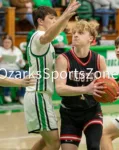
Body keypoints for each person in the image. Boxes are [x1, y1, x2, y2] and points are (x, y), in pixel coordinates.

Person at [24, 1, 80, 150]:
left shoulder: (45, 40)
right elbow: (49, 35)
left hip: (42, 96)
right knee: (54, 143)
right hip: (38, 94)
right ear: (40, 21)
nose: (54, 21)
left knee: (46, 140)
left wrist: (66, 16)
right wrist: (65, 15)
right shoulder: (38, 36)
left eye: (55, 19)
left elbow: (56, 30)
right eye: (51, 18)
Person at [55, 20, 108, 150]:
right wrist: (86, 89)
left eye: (80, 33)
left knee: (94, 146)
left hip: (92, 111)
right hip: (69, 113)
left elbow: (106, 85)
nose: (75, 35)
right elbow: (60, 89)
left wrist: (111, 94)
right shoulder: (63, 59)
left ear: (91, 38)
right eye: (74, 33)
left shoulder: (99, 60)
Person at [0, 35, 28, 104]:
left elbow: (23, 65)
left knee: (26, 74)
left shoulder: (16, 50)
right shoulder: (0, 49)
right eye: (5, 42)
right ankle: (7, 94)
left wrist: (21, 62)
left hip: (16, 69)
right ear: (2, 42)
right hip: (3, 69)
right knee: (9, 74)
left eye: (8, 42)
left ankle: (21, 95)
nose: (7, 44)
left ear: (11, 43)